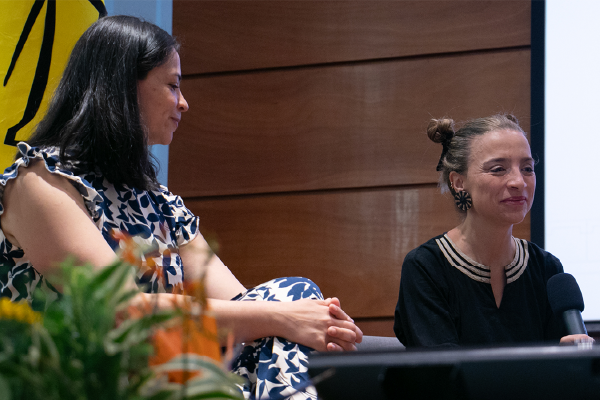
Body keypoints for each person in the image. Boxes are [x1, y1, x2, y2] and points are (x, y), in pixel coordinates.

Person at [0, 15, 362, 399]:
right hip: (74, 383)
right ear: (123, 88)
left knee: (293, 295)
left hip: (166, 378)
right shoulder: (40, 182)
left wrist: (306, 317)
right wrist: (286, 318)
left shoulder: (159, 201)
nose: (184, 104)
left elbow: (240, 305)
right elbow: (123, 314)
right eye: (173, 86)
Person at [393, 114, 591, 348]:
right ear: (458, 182)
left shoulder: (547, 269)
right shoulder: (426, 267)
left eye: (527, 168)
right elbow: (441, 376)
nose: (519, 181)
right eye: (499, 169)